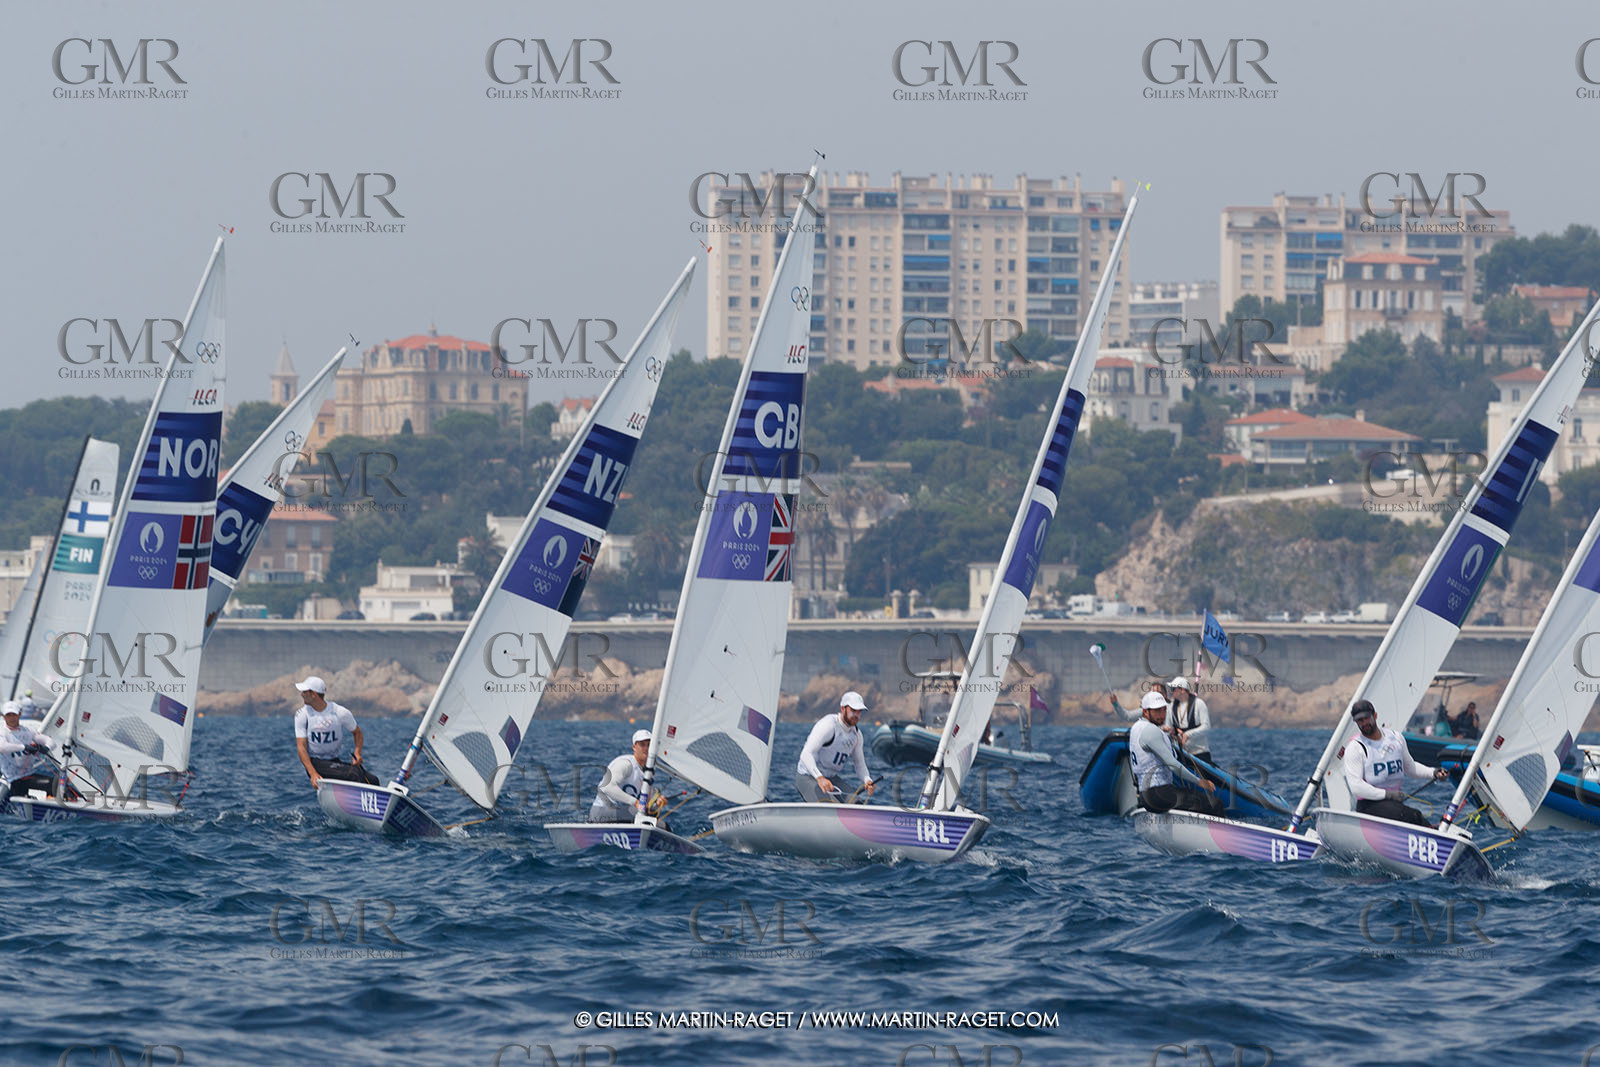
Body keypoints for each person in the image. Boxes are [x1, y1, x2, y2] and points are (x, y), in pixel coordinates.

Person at [1342, 699, 1448, 827]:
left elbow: (1410, 768)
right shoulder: (1355, 747)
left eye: (1366, 718)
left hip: (1394, 805)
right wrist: (1388, 795)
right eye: (1360, 720)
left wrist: (1434, 772)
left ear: (1375, 716)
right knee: (1413, 815)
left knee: (1412, 816)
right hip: (1369, 806)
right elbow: (1356, 787)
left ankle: (1435, 834)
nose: (1364, 723)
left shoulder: (1396, 738)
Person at [1128, 691, 1222, 815]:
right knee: (1215, 804)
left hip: (1145, 796)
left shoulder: (1136, 728)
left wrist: (1168, 736)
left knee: (1190, 799)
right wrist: (1199, 781)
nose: (1161, 715)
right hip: (1159, 794)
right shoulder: (1151, 731)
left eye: (1163, 710)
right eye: (1157, 711)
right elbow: (1173, 764)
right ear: (1145, 712)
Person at [292, 676, 378, 788]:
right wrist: (313, 774)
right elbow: (301, 747)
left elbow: (357, 732)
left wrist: (357, 753)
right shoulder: (302, 715)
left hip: (334, 761)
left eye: (304, 692)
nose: (301, 694)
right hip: (315, 763)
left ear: (313, 694)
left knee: (373, 780)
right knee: (354, 774)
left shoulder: (340, 712)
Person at [796, 691, 875, 803]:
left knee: (857, 805)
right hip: (809, 776)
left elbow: (859, 764)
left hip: (831, 779)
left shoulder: (857, 735)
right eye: (853, 710)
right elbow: (806, 754)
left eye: (859, 711)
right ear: (843, 709)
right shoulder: (828, 725)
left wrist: (867, 780)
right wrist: (820, 778)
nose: (856, 715)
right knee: (831, 807)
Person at [589, 728, 665, 822]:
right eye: (642, 745)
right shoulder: (626, 764)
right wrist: (635, 802)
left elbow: (645, 806)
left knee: (662, 825)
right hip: (602, 811)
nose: (646, 748)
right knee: (640, 814)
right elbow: (608, 787)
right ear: (634, 747)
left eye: (649, 745)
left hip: (624, 815)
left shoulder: (648, 772)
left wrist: (656, 805)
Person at [0, 700, 61, 798]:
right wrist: (24, 747)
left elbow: (51, 742)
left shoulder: (28, 731)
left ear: (19, 714)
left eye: (14, 714)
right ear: (3, 716)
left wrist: (46, 747)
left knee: (57, 783)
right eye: (8, 715)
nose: (11, 718)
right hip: (14, 780)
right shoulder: (2, 732)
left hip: (29, 776)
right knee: (51, 784)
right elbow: (2, 747)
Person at [1167, 676, 1212, 764]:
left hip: (1200, 754)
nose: (1171, 692)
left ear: (1183, 690)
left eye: (1173, 689)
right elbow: (1168, 728)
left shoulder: (1199, 704)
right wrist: (1170, 731)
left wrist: (1188, 734)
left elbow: (1207, 727)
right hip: (1180, 753)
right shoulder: (1170, 707)